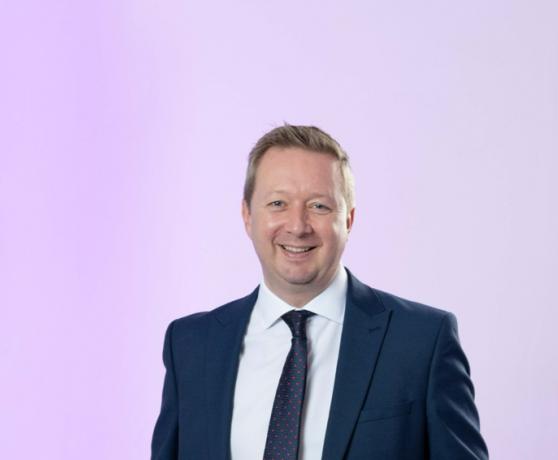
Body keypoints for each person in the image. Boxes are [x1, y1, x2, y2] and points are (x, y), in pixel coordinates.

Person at [151, 125, 489, 460]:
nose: (298, 226)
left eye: (319, 206)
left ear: (349, 220)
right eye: (278, 203)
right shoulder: (190, 345)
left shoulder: (422, 342)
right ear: (247, 216)